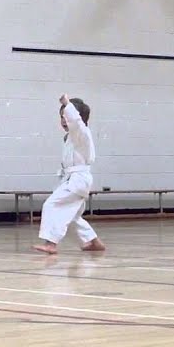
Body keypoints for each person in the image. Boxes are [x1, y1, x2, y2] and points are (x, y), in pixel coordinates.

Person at [32, 94, 105, 255]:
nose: (64, 120)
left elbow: (76, 122)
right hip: (74, 180)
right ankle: (94, 242)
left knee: (51, 205)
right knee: (71, 217)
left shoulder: (81, 133)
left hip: (78, 180)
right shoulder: (72, 137)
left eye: (66, 116)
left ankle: (51, 244)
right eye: (61, 117)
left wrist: (67, 103)